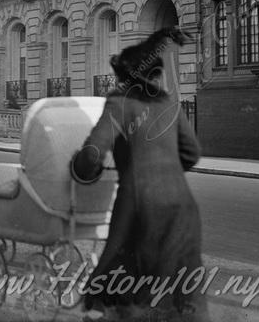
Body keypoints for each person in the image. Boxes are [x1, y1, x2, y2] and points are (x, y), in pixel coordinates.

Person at [71, 26, 207, 321]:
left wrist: (82, 167)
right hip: (183, 210)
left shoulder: (120, 103)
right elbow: (192, 153)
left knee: (125, 289)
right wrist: (164, 171)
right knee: (182, 297)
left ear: (125, 75)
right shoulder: (167, 103)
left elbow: (93, 152)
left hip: (140, 209)